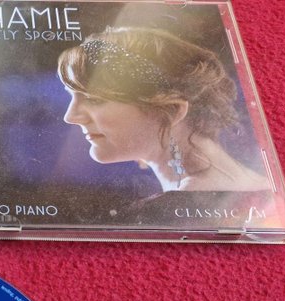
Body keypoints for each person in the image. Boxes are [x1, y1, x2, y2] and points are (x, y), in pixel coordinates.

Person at [57, 27, 270, 193]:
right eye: (72, 96)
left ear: (172, 110)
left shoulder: (191, 202)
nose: (70, 116)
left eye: (94, 99)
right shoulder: (251, 183)